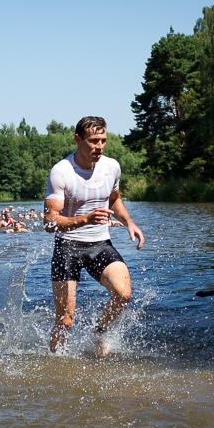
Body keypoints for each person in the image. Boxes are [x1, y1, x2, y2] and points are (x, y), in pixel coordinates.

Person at [44, 116, 144, 357]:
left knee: (123, 295)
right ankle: (56, 363)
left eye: (103, 141)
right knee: (66, 320)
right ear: (78, 140)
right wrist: (85, 219)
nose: (99, 147)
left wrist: (128, 222)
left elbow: (115, 198)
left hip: (99, 244)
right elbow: (49, 223)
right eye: (93, 141)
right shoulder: (61, 172)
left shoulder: (112, 167)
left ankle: (98, 332)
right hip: (67, 247)